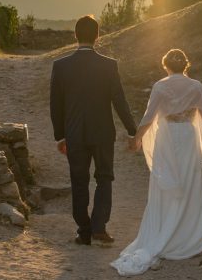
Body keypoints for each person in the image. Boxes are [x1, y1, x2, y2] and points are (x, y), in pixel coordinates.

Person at [111, 49, 202, 276]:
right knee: (189, 181)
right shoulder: (196, 86)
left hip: (167, 137)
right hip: (187, 135)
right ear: (186, 65)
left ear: (166, 66)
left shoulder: (160, 87)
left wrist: (137, 138)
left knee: (168, 182)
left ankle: (166, 232)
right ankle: (191, 236)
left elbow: (149, 117)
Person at [50, 15, 138, 247]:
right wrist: (132, 130)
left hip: (75, 133)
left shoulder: (61, 66)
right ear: (98, 36)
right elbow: (119, 101)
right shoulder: (109, 66)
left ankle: (84, 230)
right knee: (104, 177)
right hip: (102, 132)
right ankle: (99, 227)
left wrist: (60, 135)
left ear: (75, 36)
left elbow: (55, 105)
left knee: (78, 180)